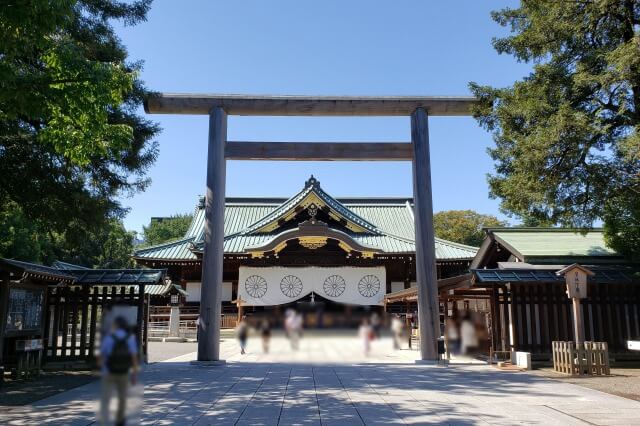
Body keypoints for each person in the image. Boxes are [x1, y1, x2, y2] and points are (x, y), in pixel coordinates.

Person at [99, 316, 138, 426]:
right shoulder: (130, 338)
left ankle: (104, 419)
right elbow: (134, 357)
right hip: (123, 372)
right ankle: (120, 420)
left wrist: (102, 369)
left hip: (109, 372)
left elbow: (102, 356)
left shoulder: (109, 337)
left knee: (106, 397)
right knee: (122, 398)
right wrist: (134, 374)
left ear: (115, 325)